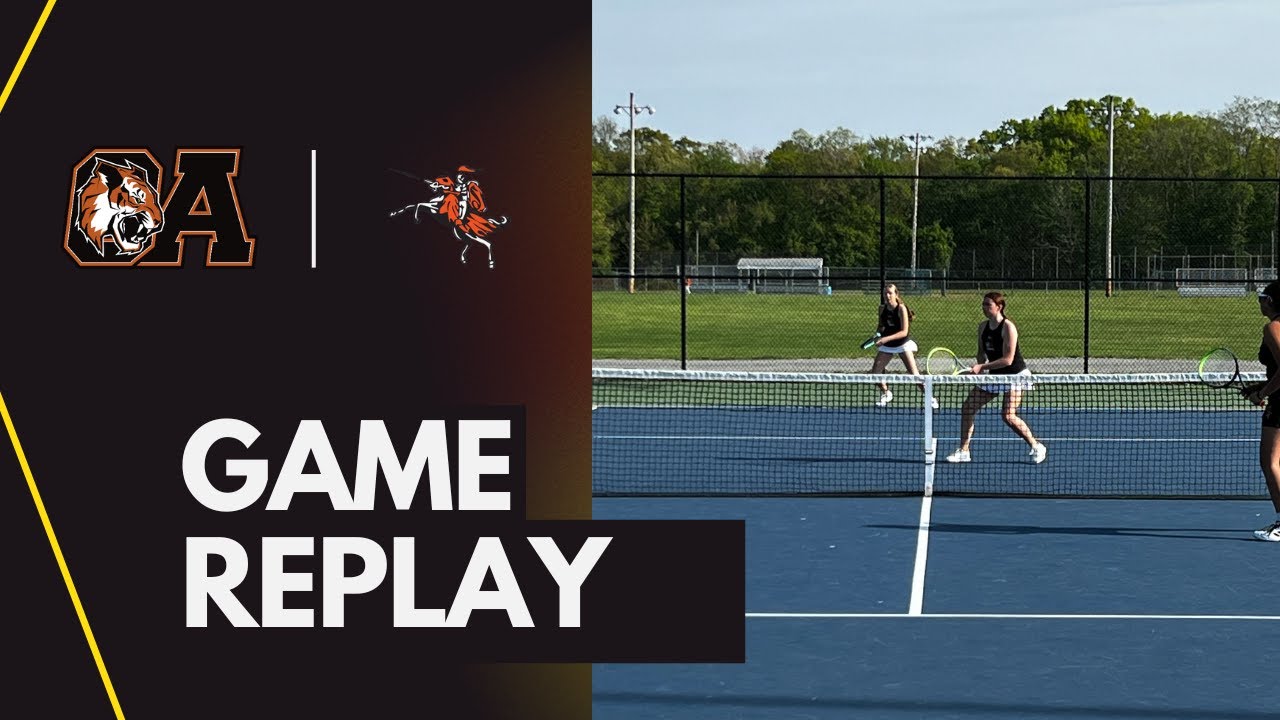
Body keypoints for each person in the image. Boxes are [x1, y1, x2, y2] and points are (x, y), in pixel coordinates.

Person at [944, 291, 1046, 464]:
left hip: (1015, 376)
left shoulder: (1008, 327)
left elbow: (1008, 359)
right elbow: (981, 354)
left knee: (1008, 415)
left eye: (988, 305)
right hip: (995, 376)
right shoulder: (982, 327)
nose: (984, 308)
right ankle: (964, 451)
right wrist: (979, 369)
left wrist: (982, 367)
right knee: (968, 408)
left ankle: (1037, 446)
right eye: (983, 305)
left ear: (999, 307)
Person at [1243, 279, 1280, 541]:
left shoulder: (1273, 328)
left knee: (1270, 463)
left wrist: (1262, 394)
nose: (1259, 302)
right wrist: (1260, 386)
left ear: (1270, 302)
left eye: (1261, 298)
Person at [870, 283, 937, 409]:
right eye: (885, 293)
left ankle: (930, 398)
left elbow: (904, 332)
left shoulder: (901, 308)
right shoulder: (881, 309)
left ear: (896, 294)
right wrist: (877, 335)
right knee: (875, 374)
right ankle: (886, 393)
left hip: (902, 344)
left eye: (890, 293)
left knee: (915, 375)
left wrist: (885, 339)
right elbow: (880, 326)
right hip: (887, 345)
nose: (887, 295)